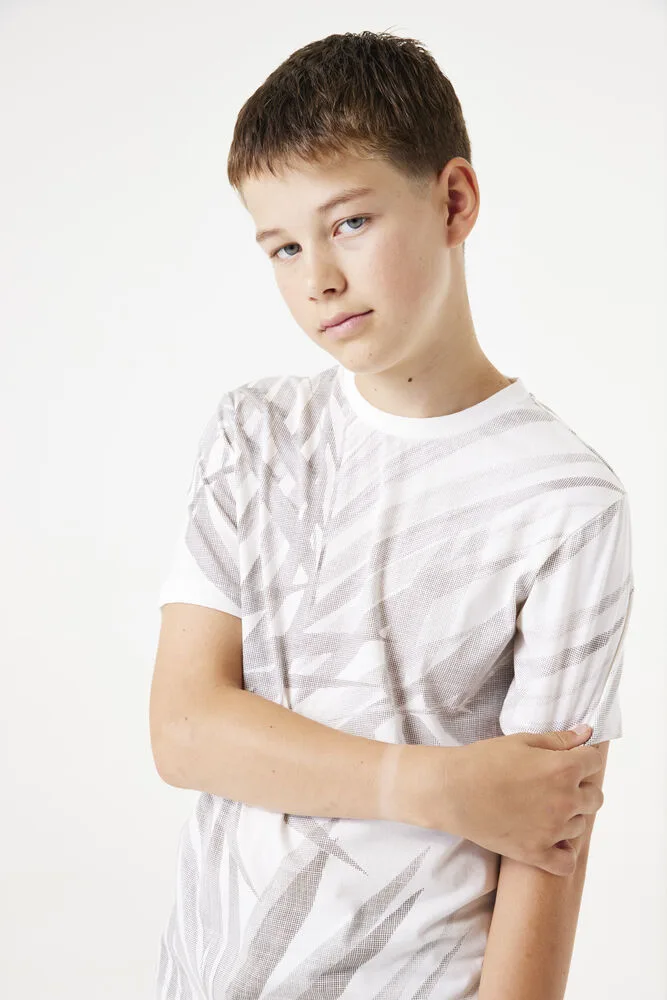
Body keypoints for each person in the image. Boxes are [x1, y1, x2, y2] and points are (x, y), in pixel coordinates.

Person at [149, 30, 635, 1000]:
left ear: (453, 201)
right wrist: (439, 786)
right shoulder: (256, 435)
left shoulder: (566, 503)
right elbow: (185, 728)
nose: (318, 278)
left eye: (351, 222)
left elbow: (549, 836)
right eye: (284, 247)